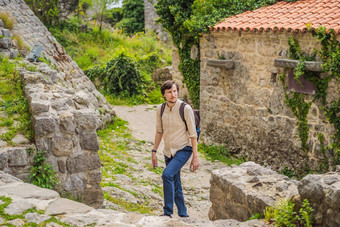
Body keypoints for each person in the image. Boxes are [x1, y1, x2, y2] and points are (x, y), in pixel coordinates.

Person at [152, 80, 199, 218]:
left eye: (174, 91)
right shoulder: (160, 109)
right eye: (169, 92)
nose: (173, 94)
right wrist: (154, 151)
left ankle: (167, 212)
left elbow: (193, 134)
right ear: (164, 95)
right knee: (175, 182)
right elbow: (159, 131)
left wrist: (195, 157)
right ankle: (183, 214)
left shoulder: (185, 108)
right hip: (168, 152)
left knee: (167, 175)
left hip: (184, 149)